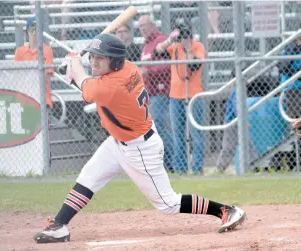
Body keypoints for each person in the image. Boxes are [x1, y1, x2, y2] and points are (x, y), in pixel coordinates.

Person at [33, 33, 247, 243]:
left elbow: (90, 89)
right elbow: (89, 86)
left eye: (100, 57)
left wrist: (74, 64)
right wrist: (75, 72)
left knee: (168, 204)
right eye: (92, 57)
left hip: (139, 148)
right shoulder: (128, 69)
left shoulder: (112, 84)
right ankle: (59, 225)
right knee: (88, 177)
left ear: (115, 62)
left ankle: (226, 210)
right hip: (119, 141)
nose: (94, 61)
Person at [155, 22, 205, 174]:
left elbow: (195, 65)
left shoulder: (198, 46)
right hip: (175, 96)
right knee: (178, 134)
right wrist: (170, 39)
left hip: (194, 95)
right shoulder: (174, 47)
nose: (183, 38)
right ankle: (181, 169)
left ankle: (197, 169)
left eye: (186, 35)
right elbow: (158, 50)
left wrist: (188, 47)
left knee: (196, 133)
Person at [138, 15, 174, 172]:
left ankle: (173, 162)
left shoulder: (160, 40)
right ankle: (166, 163)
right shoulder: (145, 45)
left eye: (145, 25)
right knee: (154, 129)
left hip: (161, 91)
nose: (143, 29)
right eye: (140, 27)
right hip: (150, 93)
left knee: (158, 126)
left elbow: (168, 66)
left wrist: (148, 71)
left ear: (153, 25)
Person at [14, 17, 54, 110]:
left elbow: (46, 76)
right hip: (23, 97)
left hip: (42, 98)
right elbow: (16, 76)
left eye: (37, 29)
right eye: (32, 29)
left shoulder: (47, 50)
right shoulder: (20, 51)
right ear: (27, 31)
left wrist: (28, 76)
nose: (35, 33)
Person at [215, 90, 258, 173]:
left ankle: (255, 166)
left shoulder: (241, 90)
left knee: (248, 145)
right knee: (228, 148)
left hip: (238, 121)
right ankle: (219, 169)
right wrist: (244, 121)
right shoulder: (236, 91)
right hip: (232, 122)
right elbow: (236, 108)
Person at [278, 34, 301, 167]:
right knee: (297, 124)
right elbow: (283, 67)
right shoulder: (291, 49)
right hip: (293, 90)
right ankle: (297, 160)